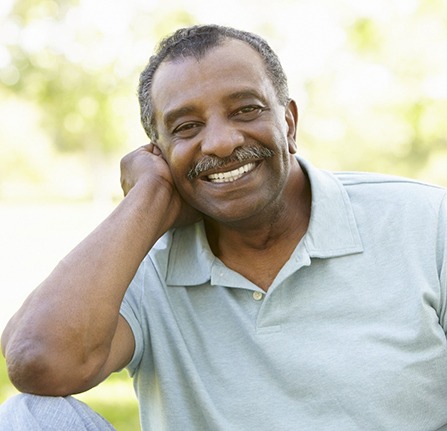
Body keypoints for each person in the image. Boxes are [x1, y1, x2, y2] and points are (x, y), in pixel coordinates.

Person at [1, 23, 447, 431]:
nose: (220, 142)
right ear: (157, 152)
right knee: (27, 417)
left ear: (288, 122)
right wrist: (148, 199)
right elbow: (38, 363)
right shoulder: (139, 262)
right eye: (187, 127)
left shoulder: (426, 222)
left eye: (246, 110)